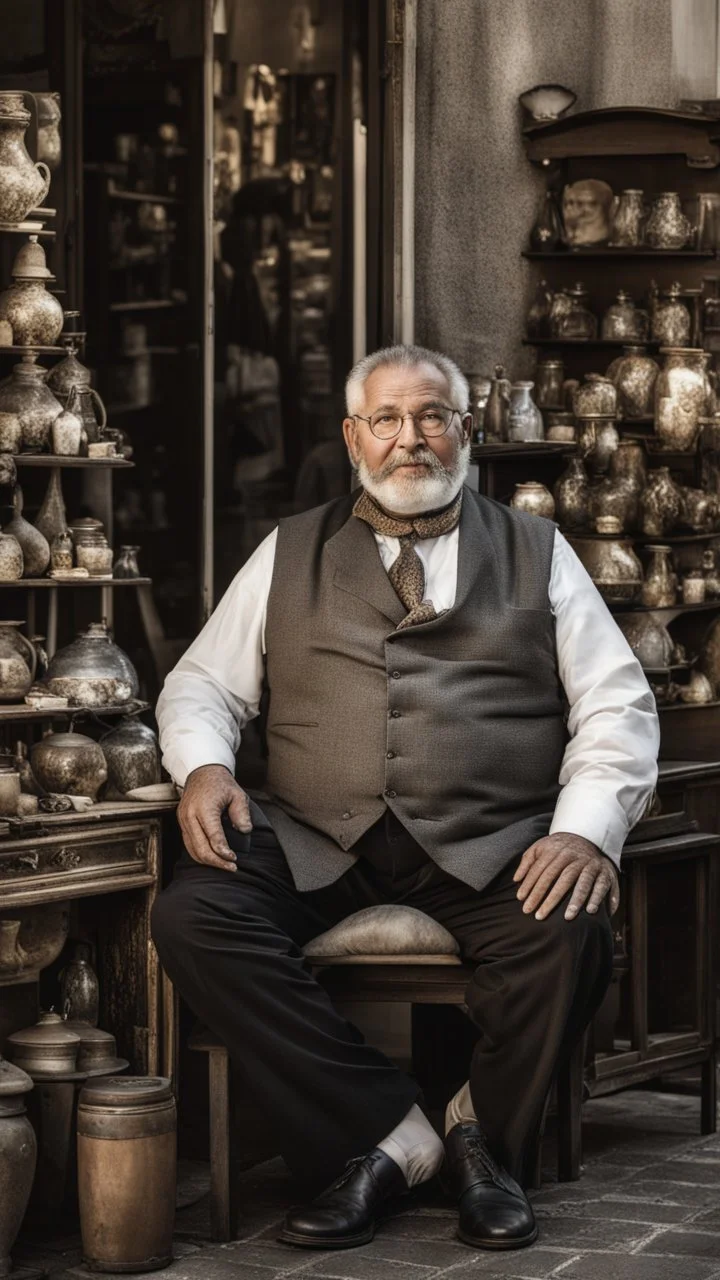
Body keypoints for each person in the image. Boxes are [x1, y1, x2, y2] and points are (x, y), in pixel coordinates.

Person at [152, 344, 659, 1253]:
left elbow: (616, 704)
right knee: (194, 918)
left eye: (431, 417)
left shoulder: (538, 549)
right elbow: (202, 685)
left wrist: (585, 832)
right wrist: (204, 768)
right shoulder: (288, 550)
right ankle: (389, 1138)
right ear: (354, 437)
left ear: (466, 430)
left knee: (572, 927)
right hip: (317, 835)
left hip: (486, 841)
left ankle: (481, 1142)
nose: (410, 438)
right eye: (386, 419)